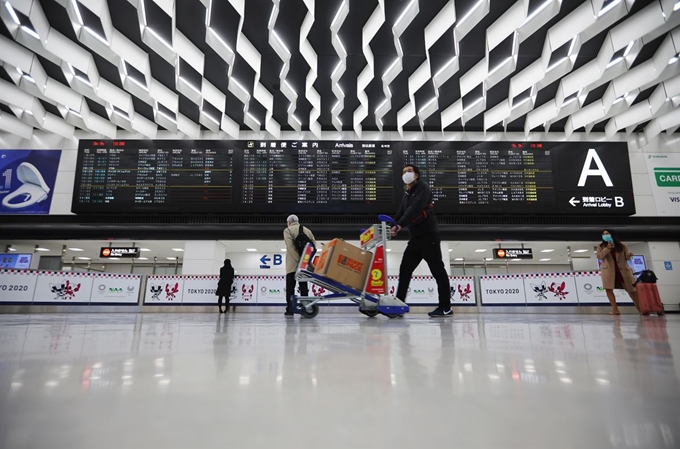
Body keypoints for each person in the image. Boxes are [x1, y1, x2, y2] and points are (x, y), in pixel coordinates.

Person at [391, 164, 453, 317]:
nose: (406, 174)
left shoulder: (423, 188)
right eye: (404, 172)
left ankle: (445, 307)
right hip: (415, 238)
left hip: (429, 235)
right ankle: (399, 305)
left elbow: (416, 209)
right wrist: (388, 226)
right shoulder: (407, 194)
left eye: (409, 171)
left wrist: (400, 225)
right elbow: (400, 212)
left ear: (416, 175)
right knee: (405, 269)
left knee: (437, 270)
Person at [596, 230, 641, 315]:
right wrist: (607, 248)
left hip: (623, 270)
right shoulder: (600, 246)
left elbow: (626, 257)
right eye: (603, 234)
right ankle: (615, 310)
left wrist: (629, 255)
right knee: (609, 290)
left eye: (607, 234)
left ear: (612, 235)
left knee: (631, 290)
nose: (605, 235)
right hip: (608, 271)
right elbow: (599, 256)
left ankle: (640, 309)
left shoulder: (622, 245)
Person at [284, 215, 316, 316]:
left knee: (290, 287)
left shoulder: (287, 230)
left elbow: (290, 246)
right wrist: (305, 260)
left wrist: (298, 260)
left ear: (289, 222)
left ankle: (290, 309)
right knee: (303, 287)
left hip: (292, 264)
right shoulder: (307, 230)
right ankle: (304, 308)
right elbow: (313, 245)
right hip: (305, 265)